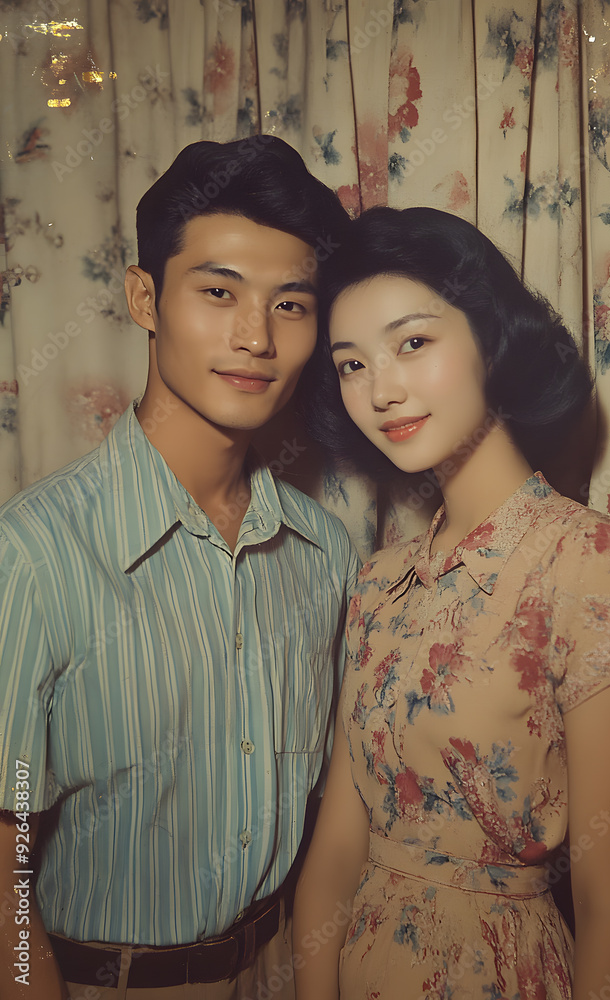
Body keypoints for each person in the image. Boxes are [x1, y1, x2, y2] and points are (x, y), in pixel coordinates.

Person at [0, 135, 359, 1000]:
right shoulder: (33, 552)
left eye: (289, 304)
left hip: (283, 968)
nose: (254, 337)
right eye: (218, 291)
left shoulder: (326, 552)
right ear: (145, 298)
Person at [292, 206, 610, 999]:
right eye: (351, 364)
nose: (381, 390)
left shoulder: (596, 571)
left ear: (491, 340)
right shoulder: (376, 584)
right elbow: (332, 856)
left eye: (411, 343)